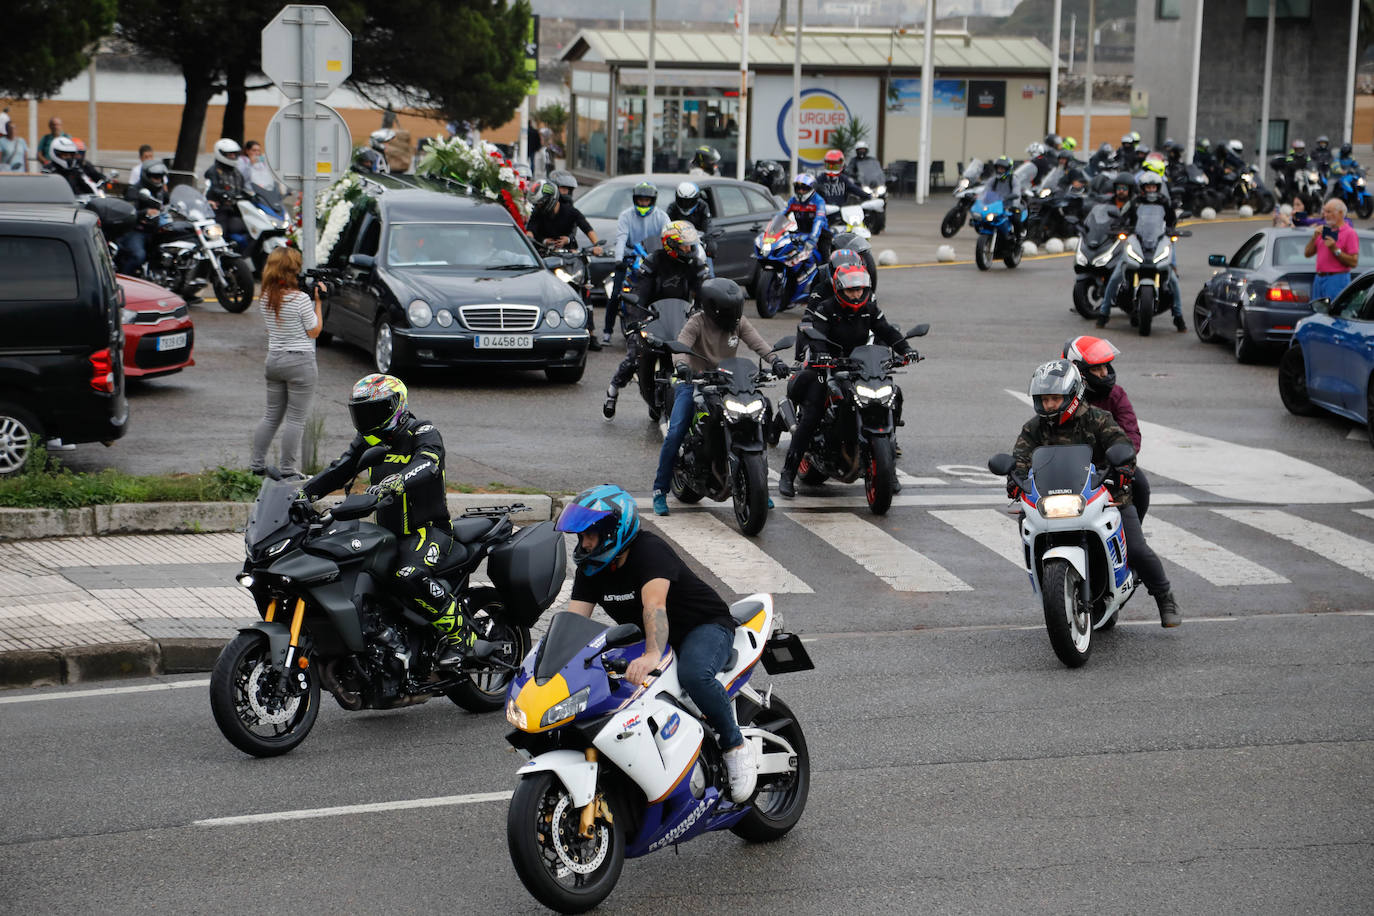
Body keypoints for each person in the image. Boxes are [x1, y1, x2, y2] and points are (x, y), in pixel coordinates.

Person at [554, 484, 758, 801]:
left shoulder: (649, 551)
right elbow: (574, 622)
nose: (584, 543)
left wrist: (651, 655)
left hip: (701, 626)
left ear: (613, 531)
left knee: (695, 675)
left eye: (590, 534)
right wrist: (556, 668)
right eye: (581, 537)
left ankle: (735, 745)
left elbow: (655, 606)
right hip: (651, 636)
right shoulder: (591, 568)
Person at [301, 374, 479, 667]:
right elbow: (339, 470)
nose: (367, 419)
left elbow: (428, 462)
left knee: (407, 574)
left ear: (397, 406)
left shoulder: (423, 430)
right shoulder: (367, 440)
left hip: (430, 532)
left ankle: (462, 637)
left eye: (375, 411)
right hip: (387, 534)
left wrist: (397, 481)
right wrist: (302, 494)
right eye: (361, 413)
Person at [1012, 359, 1181, 627]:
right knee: (1026, 524)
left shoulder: (1099, 420)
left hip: (1106, 496)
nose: (1049, 405)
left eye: (1055, 398)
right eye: (1044, 400)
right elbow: (1020, 458)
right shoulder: (1034, 428)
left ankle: (1164, 595)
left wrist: (1124, 466)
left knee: (1136, 549)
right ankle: (1056, 591)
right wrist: (1014, 477)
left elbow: (1121, 444)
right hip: (1054, 500)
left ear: (1073, 395)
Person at [652, 278, 786, 515]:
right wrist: (683, 367)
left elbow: (758, 343)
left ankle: (760, 488)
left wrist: (775, 361)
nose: (734, 315)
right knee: (676, 433)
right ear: (713, 307)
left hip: (730, 382)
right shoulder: (697, 322)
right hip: (695, 382)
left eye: (736, 309)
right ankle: (660, 490)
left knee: (758, 415)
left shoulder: (738, 322)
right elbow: (681, 345)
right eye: (729, 310)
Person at [778, 264, 913, 497]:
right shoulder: (825, 309)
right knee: (812, 416)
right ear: (840, 289)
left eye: (860, 289)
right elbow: (816, 335)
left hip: (860, 366)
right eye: (851, 290)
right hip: (827, 367)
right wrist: (821, 354)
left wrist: (906, 349)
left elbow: (887, 331)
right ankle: (788, 474)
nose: (856, 294)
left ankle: (888, 473)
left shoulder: (869, 309)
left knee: (891, 393)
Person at [604, 220, 709, 421]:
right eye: (685, 245)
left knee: (704, 354)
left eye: (690, 244)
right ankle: (613, 389)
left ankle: (709, 402)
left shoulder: (693, 264)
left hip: (681, 318)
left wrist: (707, 310)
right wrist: (638, 318)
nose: (690, 248)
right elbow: (641, 293)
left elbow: (703, 290)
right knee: (635, 355)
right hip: (652, 317)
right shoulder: (654, 261)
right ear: (671, 244)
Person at [249, 246, 323, 477]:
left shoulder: (265, 298)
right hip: (299, 361)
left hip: (274, 361)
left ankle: (257, 465)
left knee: (271, 416)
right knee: (296, 419)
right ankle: (289, 469)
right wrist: (318, 303)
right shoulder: (300, 299)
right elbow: (314, 331)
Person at [1062, 336, 1150, 521]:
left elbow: (1131, 433)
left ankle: (1131, 533)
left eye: (1105, 367)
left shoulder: (1116, 394)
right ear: (1079, 371)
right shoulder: (1060, 397)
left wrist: (1121, 460)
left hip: (1109, 467)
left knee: (1140, 485)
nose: (1104, 373)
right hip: (1068, 469)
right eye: (1096, 368)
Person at [1099, 170, 1185, 332]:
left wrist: (1172, 230)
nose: (1151, 190)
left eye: (1154, 187)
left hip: (1157, 242)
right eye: (1148, 187)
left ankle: (1178, 317)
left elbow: (1172, 221)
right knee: (1116, 276)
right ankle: (1104, 312)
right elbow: (1123, 218)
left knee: (1173, 279)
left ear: (1157, 188)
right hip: (1137, 241)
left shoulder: (1164, 202)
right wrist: (1120, 226)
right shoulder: (1135, 202)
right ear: (1143, 188)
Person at [524, 181, 604, 347]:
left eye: (541, 202)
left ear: (551, 199)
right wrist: (539, 240)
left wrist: (596, 246)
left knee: (585, 286)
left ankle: (591, 332)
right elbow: (530, 230)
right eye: (537, 203)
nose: (539, 206)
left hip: (571, 257)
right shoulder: (538, 212)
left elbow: (586, 227)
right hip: (546, 257)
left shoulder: (570, 211)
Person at [607, 180, 670, 345]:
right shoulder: (626, 215)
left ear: (652, 200)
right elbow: (621, 238)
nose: (643, 203)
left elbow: (668, 238)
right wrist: (618, 259)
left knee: (665, 290)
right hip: (630, 258)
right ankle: (607, 332)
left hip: (654, 260)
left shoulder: (662, 216)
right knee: (615, 294)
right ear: (636, 199)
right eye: (641, 200)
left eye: (647, 200)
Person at [117, 161, 170, 275]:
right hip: (136, 230)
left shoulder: (160, 191)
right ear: (147, 176)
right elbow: (129, 212)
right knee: (138, 256)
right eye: (155, 177)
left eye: (160, 177)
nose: (158, 180)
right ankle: (124, 279)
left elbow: (168, 201)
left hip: (154, 230)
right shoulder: (134, 190)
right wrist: (145, 212)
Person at [1305, 198, 1359, 301]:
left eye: (1328, 212)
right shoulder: (1324, 231)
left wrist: (1335, 249)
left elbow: (1353, 262)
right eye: (1324, 211)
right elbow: (1307, 253)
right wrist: (1314, 237)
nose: (1325, 215)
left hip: (1337, 279)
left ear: (1340, 213)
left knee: (1332, 312)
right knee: (1317, 313)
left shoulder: (1349, 233)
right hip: (1319, 278)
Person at [203, 138, 249, 250]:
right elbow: (214, 188)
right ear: (221, 154)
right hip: (218, 209)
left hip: (236, 209)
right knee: (220, 232)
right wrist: (226, 194)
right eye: (230, 154)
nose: (233, 157)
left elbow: (242, 189)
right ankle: (220, 252)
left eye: (234, 154)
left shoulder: (236, 172)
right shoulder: (213, 171)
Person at [782, 172, 828, 260]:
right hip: (800, 233)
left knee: (825, 259)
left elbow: (819, 220)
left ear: (811, 189)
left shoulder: (819, 201)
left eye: (804, 188)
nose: (800, 191)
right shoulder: (793, 200)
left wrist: (813, 239)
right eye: (798, 188)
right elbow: (783, 215)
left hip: (821, 235)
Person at [667, 181, 715, 262]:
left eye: (689, 201)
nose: (685, 204)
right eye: (682, 201)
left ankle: (708, 273)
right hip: (677, 245)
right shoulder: (672, 207)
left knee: (707, 262)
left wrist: (709, 240)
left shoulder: (703, 206)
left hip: (697, 243)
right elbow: (667, 225)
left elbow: (707, 225)